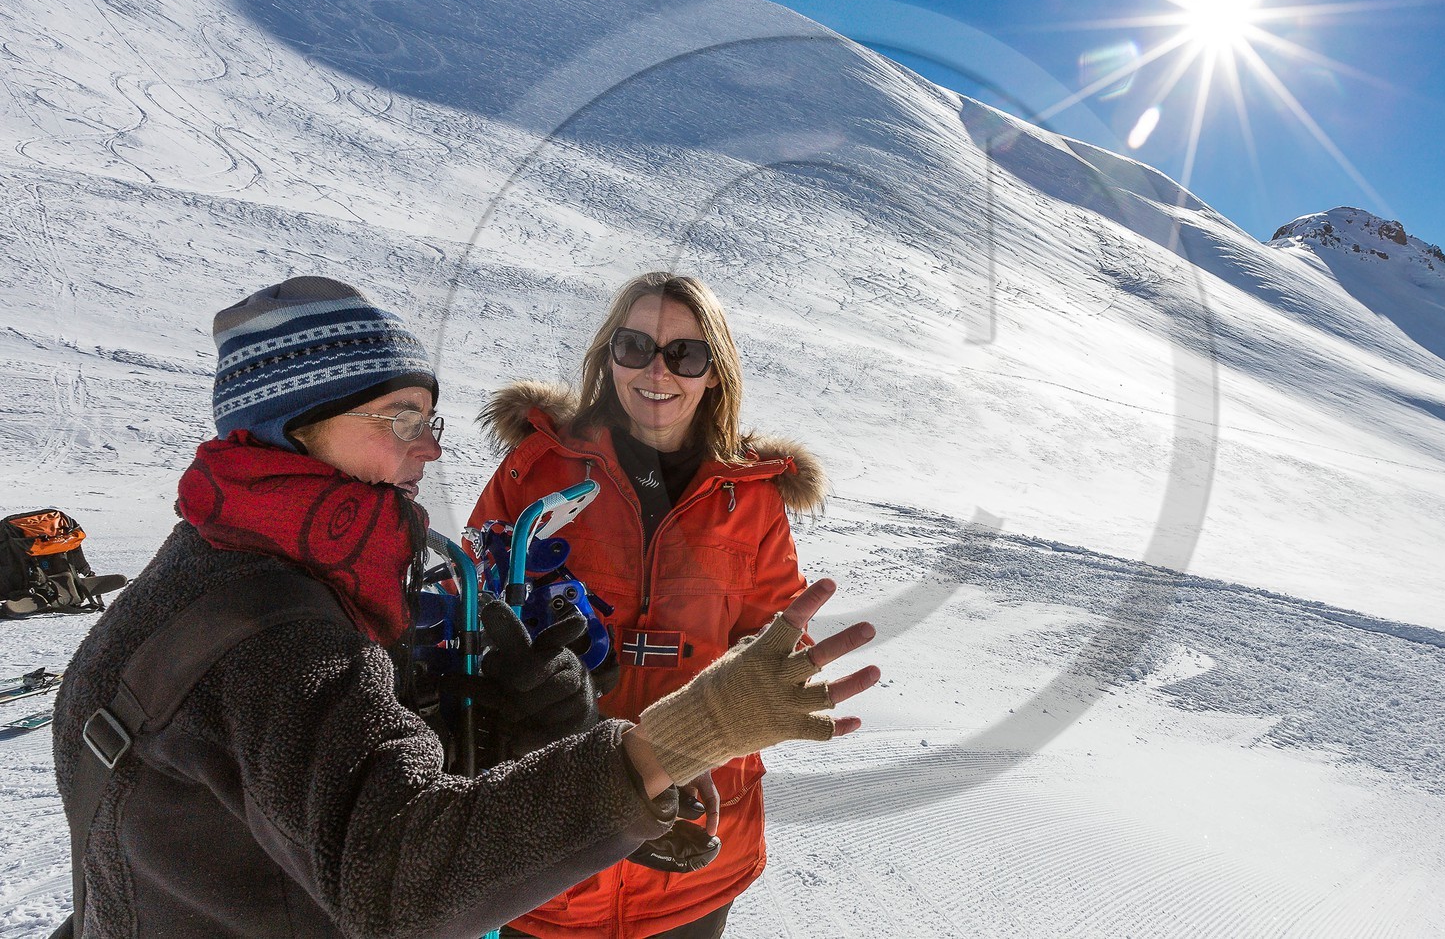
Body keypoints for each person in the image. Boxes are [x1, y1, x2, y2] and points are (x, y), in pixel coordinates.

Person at [52, 276, 877, 939]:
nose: (434, 447)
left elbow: (372, 731)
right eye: (399, 418)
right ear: (292, 429)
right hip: (552, 866)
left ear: (714, 370)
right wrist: (671, 737)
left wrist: (509, 723)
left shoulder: (222, 565)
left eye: (686, 352)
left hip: (670, 833)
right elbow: (400, 870)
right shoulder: (282, 634)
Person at [471, 271, 827, 939]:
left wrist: (760, 674)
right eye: (633, 347)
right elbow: (473, 612)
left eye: (684, 355)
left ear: (714, 373)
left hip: (692, 856)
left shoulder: (750, 497)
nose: (656, 371)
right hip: (547, 851)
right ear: (609, 357)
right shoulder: (538, 468)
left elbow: (779, 644)